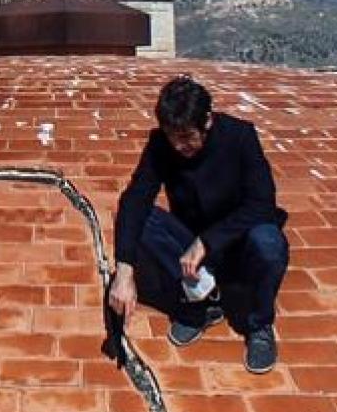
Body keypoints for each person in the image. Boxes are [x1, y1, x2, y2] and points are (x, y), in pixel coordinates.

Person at [108, 75, 289, 374]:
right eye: (173, 137)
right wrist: (124, 271)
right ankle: (202, 300)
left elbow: (262, 203)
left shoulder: (241, 137)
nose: (180, 146)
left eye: (187, 136)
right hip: (189, 242)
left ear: (207, 121)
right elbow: (135, 200)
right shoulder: (160, 145)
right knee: (142, 218)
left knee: (269, 242)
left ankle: (259, 326)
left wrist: (207, 242)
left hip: (237, 242)